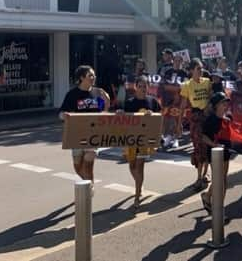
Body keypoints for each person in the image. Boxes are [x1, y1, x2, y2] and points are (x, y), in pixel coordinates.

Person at [59, 65, 110, 188]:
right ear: (82, 78)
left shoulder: (97, 93)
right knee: (77, 166)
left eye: (94, 75)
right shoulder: (72, 94)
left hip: (93, 134)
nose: (93, 77)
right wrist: (64, 115)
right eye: (90, 75)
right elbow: (61, 112)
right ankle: (88, 184)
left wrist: (106, 100)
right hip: (77, 134)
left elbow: (104, 113)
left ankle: (89, 189)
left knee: (88, 165)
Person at [118, 75, 160, 208]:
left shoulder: (152, 101)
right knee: (132, 165)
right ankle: (139, 184)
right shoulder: (129, 102)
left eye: (145, 86)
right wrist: (120, 113)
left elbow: (160, 117)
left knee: (140, 165)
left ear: (148, 87)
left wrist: (152, 115)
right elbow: (124, 121)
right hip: (131, 139)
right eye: (140, 86)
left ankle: (137, 195)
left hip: (145, 140)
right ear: (136, 87)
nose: (142, 88)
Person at [180, 58, 212, 190]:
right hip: (195, 118)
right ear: (192, 70)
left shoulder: (207, 82)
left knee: (207, 146)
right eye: (198, 68)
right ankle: (199, 177)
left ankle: (205, 174)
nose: (201, 71)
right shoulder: (187, 85)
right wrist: (179, 123)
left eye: (202, 68)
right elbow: (183, 104)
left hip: (207, 118)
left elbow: (211, 97)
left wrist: (208, 107)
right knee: (198, 148)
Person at [200, 92, 231, 214]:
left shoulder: (228, 119)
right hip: (215, 153)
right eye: (223, 103)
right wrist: (214, 145)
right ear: (216, 106)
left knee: (223, 180)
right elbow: (204, 137)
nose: (226, 105)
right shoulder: (210, 120)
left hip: (226, 152)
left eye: (226, 103)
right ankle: (218, 210)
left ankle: (210, 199)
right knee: (219, 180)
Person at [161, 54, 188, 149]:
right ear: (173, 61)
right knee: (167, 118)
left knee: (178, 119)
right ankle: (168, 136)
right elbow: (163, 85)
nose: (177, 62)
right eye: (176, 60)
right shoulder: (168, 72)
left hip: (179, 100)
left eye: (179, 61)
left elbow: (185, 87)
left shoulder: (184, 73)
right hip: (168, 99)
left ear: (182, 62)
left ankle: (176, 138)